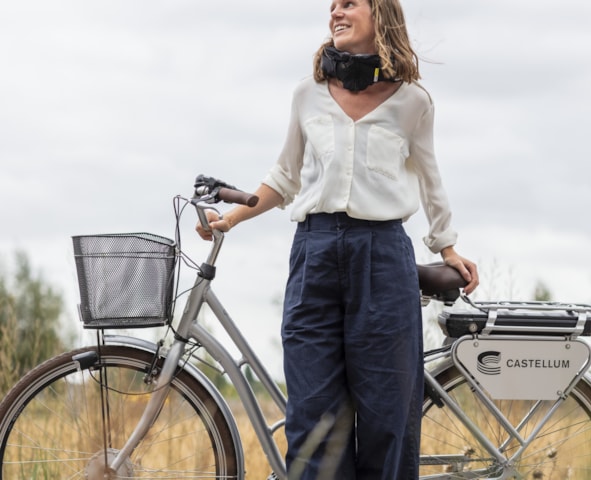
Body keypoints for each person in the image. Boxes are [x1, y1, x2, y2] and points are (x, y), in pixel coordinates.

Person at [197, 0, 479, 478]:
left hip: (383, 257)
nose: (335, 12)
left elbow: (431, 180)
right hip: (316, 255)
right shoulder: (308, 94)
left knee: (387, 419)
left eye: (348, 3)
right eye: (332, 7)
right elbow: (285, 176)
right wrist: (233, 220)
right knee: (313, 418)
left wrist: (447, 246)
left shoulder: (414, 101)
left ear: (380, 15)